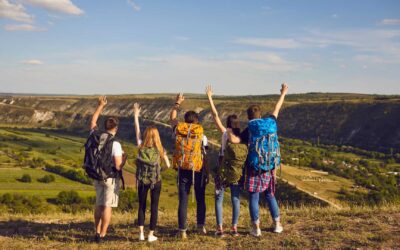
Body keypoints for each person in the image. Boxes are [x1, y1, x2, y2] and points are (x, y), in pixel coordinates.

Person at [240, 83, 288, 236]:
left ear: (249, 117)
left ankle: (256, 228)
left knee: (254, 197)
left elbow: (236, 141)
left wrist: (227, 133)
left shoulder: (249, 129)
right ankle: (277, 224)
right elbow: (277, 108)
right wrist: (283, 93)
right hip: (269, 165)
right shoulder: (270, 123)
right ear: (260, 115)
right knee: (270, 195)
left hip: (255, 168)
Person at [170, 93, 209, 239]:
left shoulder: (178, 131)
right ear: (197, 121)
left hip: (182, 168)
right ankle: (200, 226)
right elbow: (205, 153)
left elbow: (172, 118)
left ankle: (182, 231)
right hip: (197, 169)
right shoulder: (201, 135)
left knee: (183, 200)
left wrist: (177, 103)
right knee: (200, 198)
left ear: (185, 121)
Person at [205, 85, 243, 237]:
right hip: (236, 170)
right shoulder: (242, 137)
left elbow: (214, 116)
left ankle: (220, 228)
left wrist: (210, 98)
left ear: (228, 124)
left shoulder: (225, 134)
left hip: (222, 168)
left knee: (219, 198)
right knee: (235, 198)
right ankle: (234, 228)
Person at [89, 96, 126, 243]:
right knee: (107, 206)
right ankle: (103, 235)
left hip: (96, 174)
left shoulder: (96, 135)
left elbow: (92, 121)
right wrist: (124, 160)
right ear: (116, 128)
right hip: (110, 177)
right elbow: (117, 165)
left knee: (99, 204)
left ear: (105, 126)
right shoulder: (115, 143)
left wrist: (100, 106)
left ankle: (96, 231)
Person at [133, 103, 171, 242]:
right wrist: (159, 170)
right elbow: (168, 165)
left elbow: (137, 130)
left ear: (146, 135)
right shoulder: (161, 150)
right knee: (154, 207)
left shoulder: (140, 147)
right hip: (156, 181)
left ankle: (141, 233)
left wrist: (136, 115)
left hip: (142, 181)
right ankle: (151, 235)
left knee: (142, 205)